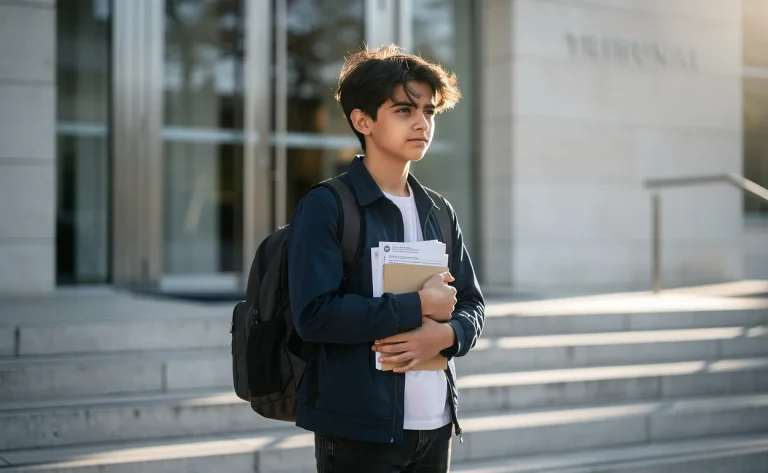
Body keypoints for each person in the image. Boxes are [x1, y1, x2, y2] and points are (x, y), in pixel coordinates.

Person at [286, 44, 485, 473]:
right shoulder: (328, 205)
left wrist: (446, 337)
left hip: (436, 425)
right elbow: (315, 315)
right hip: (359, 431)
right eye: (403, 111)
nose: (422, 123)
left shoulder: (439, 209)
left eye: (429, 112)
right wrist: (417, 306)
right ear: (363, 121)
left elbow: (473, 304)